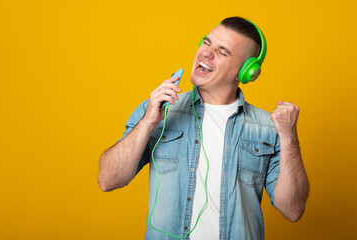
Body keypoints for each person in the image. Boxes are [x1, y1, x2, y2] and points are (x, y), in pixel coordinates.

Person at [98, 16, 309, 240]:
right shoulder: (159, 109)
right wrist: (148, 121)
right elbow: (107, 180)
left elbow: (293, 210)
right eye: (206, 42)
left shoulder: (268, 127)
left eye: (222, 51)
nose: (206, 53)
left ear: (247, 72)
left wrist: (288, 137)